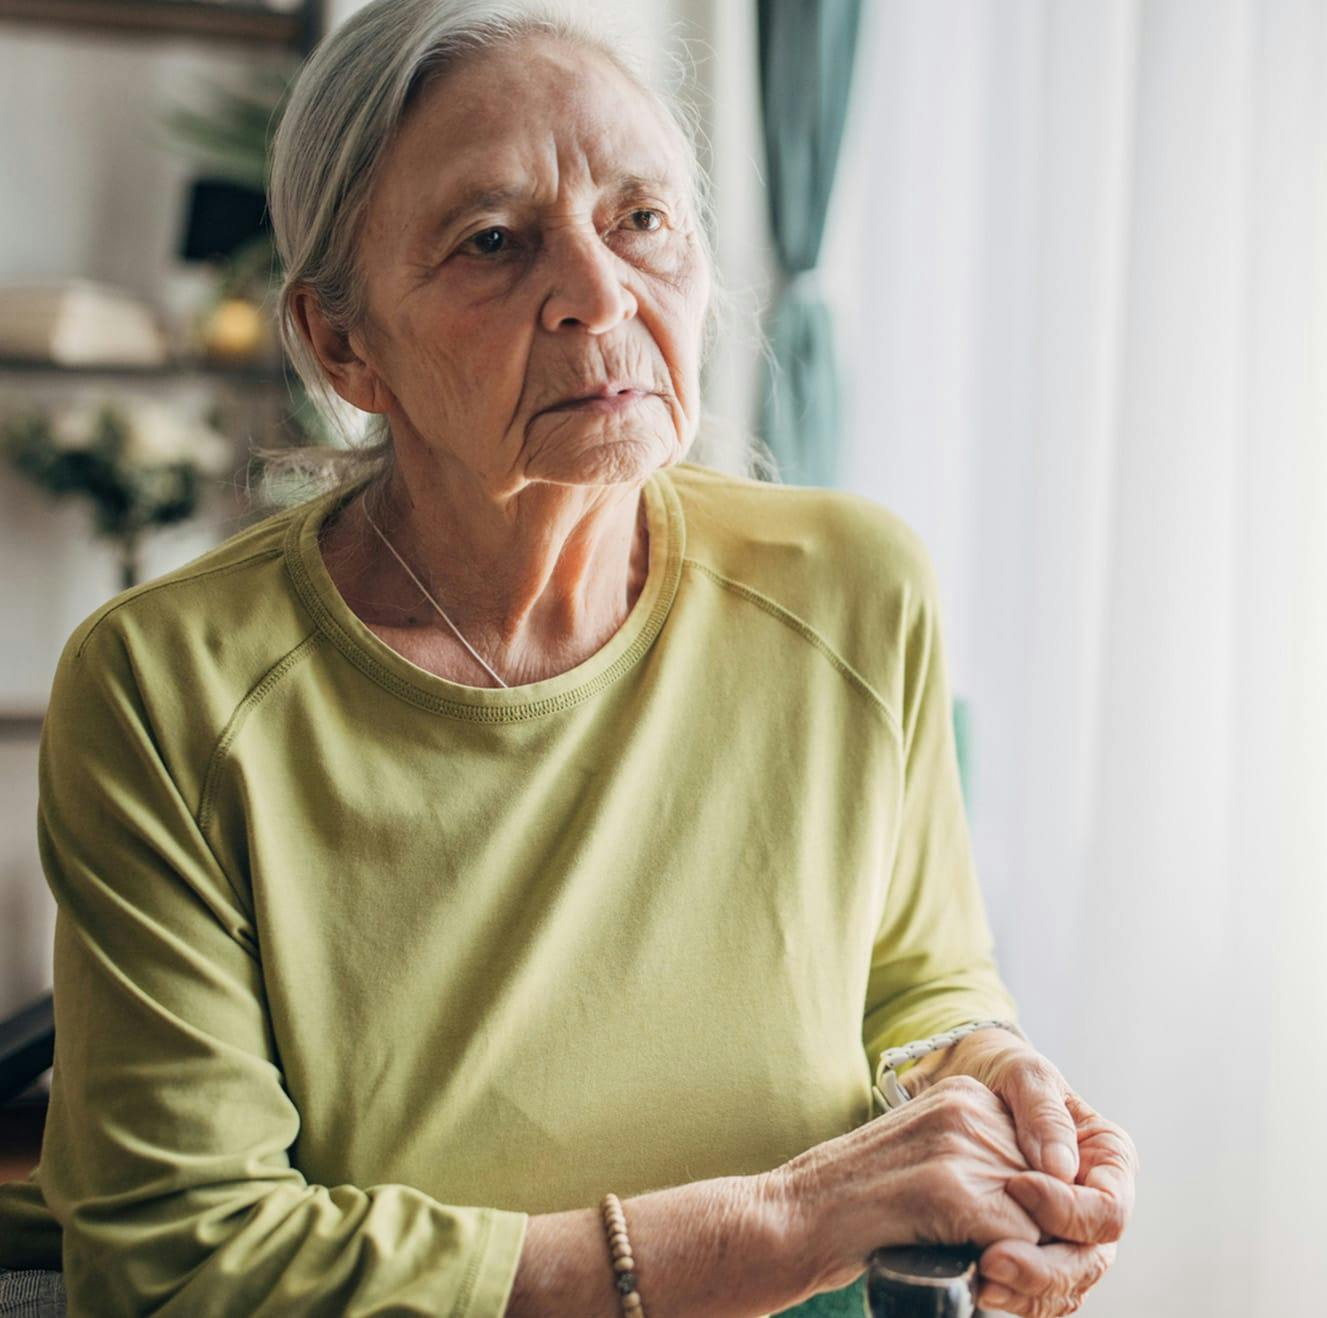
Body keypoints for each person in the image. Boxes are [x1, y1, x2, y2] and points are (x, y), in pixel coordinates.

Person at [0, 0, 1136, 1313]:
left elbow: (917, 973)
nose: (601, 293)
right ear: (341, 344)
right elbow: (190, 1266)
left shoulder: (854, 585)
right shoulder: (166, 689)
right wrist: (782, 1222)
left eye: (641, 219)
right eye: (494, 242)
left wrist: (983, 1080)